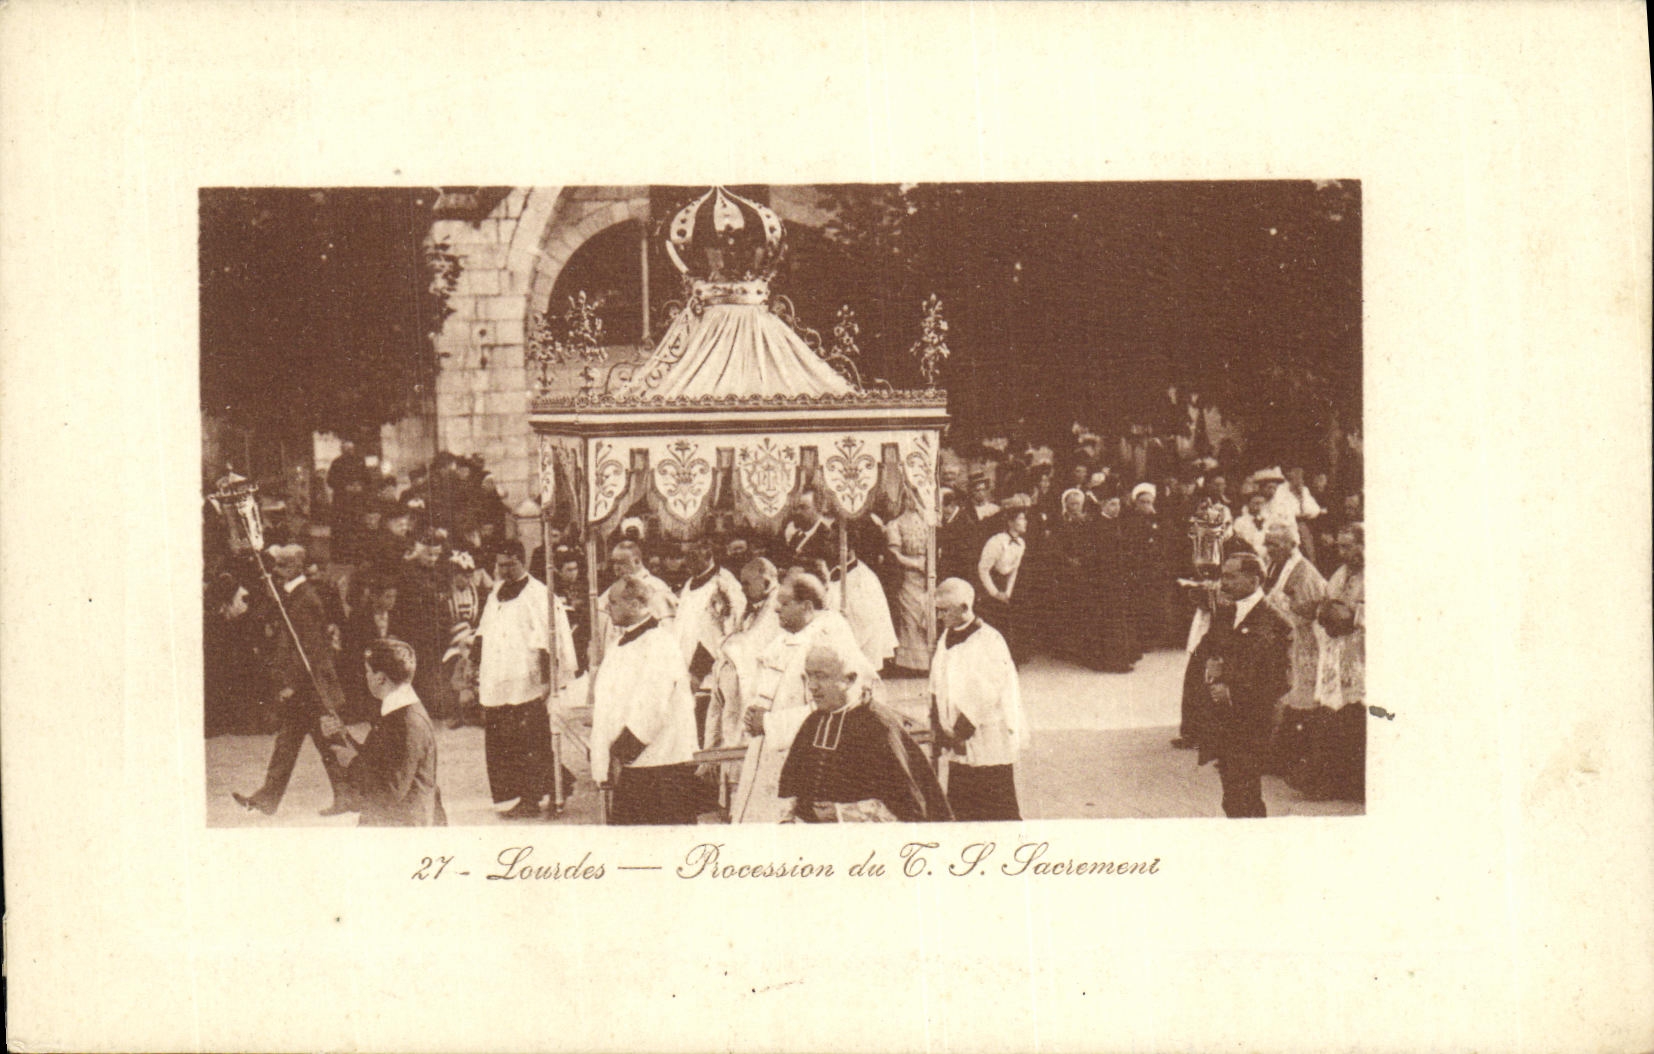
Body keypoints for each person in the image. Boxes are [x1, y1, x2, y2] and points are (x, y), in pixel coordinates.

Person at [734, 572, 873, 822]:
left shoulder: (829, 639)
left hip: (797, 753)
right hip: (766, 749)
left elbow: (838, 707)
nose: (776, 609)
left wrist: (769, 723)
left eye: (785, 603)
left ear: (807, 606)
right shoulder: (790, 636)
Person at [232, 545, 351, 816]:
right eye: (278, 565)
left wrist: (291, 684)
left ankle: (349, 794)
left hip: (310, 689)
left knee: (327, 744)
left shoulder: (304, 599)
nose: (277, 570)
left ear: (297, 566)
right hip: (307, 691)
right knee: (295, 745)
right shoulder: (291, 595)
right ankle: (269, 799)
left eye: (283, 566)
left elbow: (307, 648)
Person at [775, 643, 952, 823]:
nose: (812, 686)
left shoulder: (879, 726)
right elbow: (790, 790)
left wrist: (842, 812)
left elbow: (908, 809)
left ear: (850, 679)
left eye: (821, 677)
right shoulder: (813, 723)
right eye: (808, 676)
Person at [473, 540, 576, 819]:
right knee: (503, 742)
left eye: (510, 565)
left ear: (522, 561)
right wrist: (474, 663)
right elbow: (484, 630)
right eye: (500, 565)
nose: (504, 570)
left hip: (526, 681)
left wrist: (546, 683)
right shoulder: (495, 593)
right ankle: (529, 793)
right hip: (497, 678)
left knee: (529, 742)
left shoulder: (539, 595)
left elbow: (548, 642)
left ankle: (535, 797)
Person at [590, 577, 701, 825]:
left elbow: (652, 709)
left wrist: (620, 755)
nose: (607, 608)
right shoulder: (620, 643)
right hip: (636, 764)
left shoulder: (660, 644)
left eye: (614, 602)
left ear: (635, 604)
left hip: (659, 765)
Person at [1189, 553, 1292, 818]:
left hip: (1253, 720)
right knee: (1233, 795)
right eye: (1223, 576)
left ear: (1254, 579)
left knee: (1245, 795)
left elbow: (1280, 680)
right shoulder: (1225, 613)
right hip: (1225, 718)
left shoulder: (1275, 622)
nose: (1224, 583)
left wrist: (1230, 687)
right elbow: (1205, 650)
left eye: (1231, 576)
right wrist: (1211, 669)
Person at [930, 578, 1026, 821]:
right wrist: (939, 725)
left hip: (984, 736)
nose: (940, 616)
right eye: (937, 610)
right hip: (957, 738)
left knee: (996, 806)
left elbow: (986, 693)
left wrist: (960, 733)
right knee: (962, 808)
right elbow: (937, 682)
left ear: (964, 607)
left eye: (944, 611)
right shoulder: (946, 637)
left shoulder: (989, 641)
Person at [334, 638, 446, 826]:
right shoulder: (400, 711)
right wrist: (344, 736)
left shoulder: (404, 723)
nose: (366, 677)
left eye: (368, 671)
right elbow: (382, 761)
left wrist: (352, 763)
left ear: (380, 678)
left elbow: (388, 791)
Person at [1296, 524, 1366, 801]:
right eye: (1340, 546)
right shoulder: (1340, 573)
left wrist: (1352, 615)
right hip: (1338, 652)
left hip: (1362, 654)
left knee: (1356, 713)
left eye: (1348, 546)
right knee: (1332, 713)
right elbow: (1328, 601)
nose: (1343, 552)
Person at [1261, 521, 1328, 775]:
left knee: (1299, 701)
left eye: (1274, 544)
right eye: (1267, 543)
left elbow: (1307, 612)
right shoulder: (1276, 565)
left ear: (1292, 544)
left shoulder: (1304, 572)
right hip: (1281, 644)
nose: (1269, 548)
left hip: (1303, 645)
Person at [704, 557, 786, 751]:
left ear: (766, 582)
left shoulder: (777, 606)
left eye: (747, 583)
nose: (742, 589)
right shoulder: (754, 607)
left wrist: (724, 639)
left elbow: (747, 645)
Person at [675, 537, 746, 739]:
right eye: (685, 555)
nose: (687, 561)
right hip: (684, 675)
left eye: (693, 555)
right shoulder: (689, 583)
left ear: (709, 554)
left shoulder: (723, 585)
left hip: (705, 678)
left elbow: (721, 634)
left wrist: (696, 674)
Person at [595, 539, 676, 663]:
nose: (616, 568)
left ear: (636, 561)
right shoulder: (615, 588)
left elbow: (667, 630)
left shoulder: (657, 587)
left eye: (621, 563)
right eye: (614, 563)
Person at [204, 572, 260, 736]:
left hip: (239, 641)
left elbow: (240, 620)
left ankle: (241, 723)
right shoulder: (219, 594)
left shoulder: (242, 596)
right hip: (225, 642)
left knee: (240, 682)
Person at [1090, 489, 1139, 671]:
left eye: (1118, 504)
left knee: (1121, 618)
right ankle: (1111, 661)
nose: (1116, 508)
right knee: (1109, 619)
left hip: (1119, 576)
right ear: (1102, 505)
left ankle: (1124, 656)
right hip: (1104, 578)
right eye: (1111, 504)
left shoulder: (1118, 523)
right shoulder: (1096, 525)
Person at [883, 495, 933, 674]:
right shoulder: (895, 524)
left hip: (927, 574)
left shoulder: (926, 521)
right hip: (908, 575)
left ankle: (927, 661)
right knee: (910, 617)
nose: (912, 502)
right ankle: (911, 663)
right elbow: (894, 554)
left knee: (925, 614)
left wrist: (928, 564)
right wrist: (915, 564)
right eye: (908, 498)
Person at [976, 506, 1028, 661]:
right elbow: (983, 569)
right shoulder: (997, 541)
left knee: (1011, 621)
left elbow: (1014, 570)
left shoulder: (1021, 543)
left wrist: (1007, 593)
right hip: (990, 583)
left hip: (1005, 585)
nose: (1025, 522)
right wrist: (995, 593)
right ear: (1011, 522)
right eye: (1021, 518)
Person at [1232, 492, 1271, 558]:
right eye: (1256, 503)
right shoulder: (1240, 521)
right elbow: (1239, 540)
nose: (1259, 506)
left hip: (1266, 555)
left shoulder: (1268, 520)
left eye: (1262, 503)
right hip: (1247, 555)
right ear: (1248, 504)